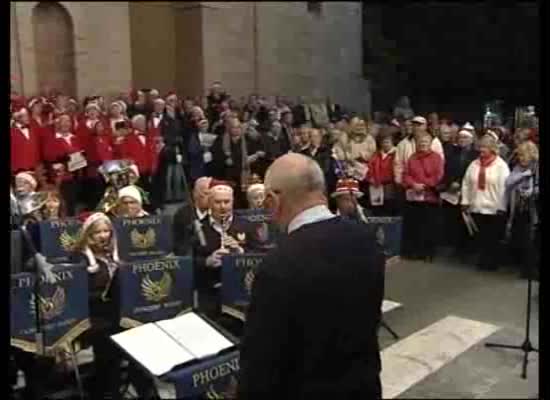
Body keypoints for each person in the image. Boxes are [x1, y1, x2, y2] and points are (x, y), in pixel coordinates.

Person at [239, 153, 385, 399]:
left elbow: (261, 363)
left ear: (273, 200)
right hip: (363, 386)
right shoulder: (367, 238)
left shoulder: (279, 265)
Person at [72, 213, 156, 399]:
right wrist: (104, 293)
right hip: (97, 318)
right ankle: (109, 391)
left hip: (123, 314)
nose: (103, 236)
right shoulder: (79, 259)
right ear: (87, 235)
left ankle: (146, 391)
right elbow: (77, 295)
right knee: (109, 349)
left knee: (140, 345)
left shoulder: (118, 254)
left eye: (106, 231)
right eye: (97, 232)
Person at [192, 180, 252, 323]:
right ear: (209, 203)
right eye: (218, 202)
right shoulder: (196, 228)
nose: (223, 206)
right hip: (210, 294)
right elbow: (186, 261)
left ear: (233, 202)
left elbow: (261, 256)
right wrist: (206, 261)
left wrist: (240, 253)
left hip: (241, 295)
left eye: (227, 202)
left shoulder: (247, 225)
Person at [461, 134, 510, 271]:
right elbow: (466, 183)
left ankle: (492, 262)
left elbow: (504, 189)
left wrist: (502, 207)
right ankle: (482, 260)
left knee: (493, 237)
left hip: (494, 208)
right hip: (477, 205)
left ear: (492, 149)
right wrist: (465, 201)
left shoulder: (501, 166)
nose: (481, 150)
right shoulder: (474, 164)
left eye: (485, 147)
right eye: (480, 147)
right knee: (481, 236)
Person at [401, 134, 444, 261]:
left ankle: (428, 253)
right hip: (414, 196)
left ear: (430, 143)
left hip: (430, 197)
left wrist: (424, 185)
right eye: (420, 142)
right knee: (415, 226)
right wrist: (413, 184)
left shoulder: (437, 158)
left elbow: (439, 176)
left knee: (429, 227)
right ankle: (415, 251)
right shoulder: (412, 157)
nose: (422, 144)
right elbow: (406, 175)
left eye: (425, 141)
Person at [437, 130, 478, 256]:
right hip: (452, 191)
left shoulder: (475, 155)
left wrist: (460, 183)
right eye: (460, 137)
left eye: (465, 137)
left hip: (468, 190)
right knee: (453, 220)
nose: (462, 140)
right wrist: (450, 184)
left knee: (467, 221)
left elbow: (474, 173)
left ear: (471, 139)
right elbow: (446, 170)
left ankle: (468, 249)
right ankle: (455, 247)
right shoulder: (452, 153)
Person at [504, 141, 539, 279]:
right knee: (520, 238)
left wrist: (533, 191)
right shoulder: (519, 167)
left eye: (523, 155)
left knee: (531, 241)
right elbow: (508, 182)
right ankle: (522, 266)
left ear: (531, 154)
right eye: (519, 156)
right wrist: (523, 175)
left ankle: (530, 270)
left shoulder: (537, 167)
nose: (520, 158)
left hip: (534, 209)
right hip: (519, 207)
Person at [173, 176, 212, 256]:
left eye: (212, 194)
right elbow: (179, 245)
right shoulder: (183, 215)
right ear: (195, 194)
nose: (210, 197)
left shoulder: (217, 212)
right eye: (206, 193)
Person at [366, 133, 399, 216]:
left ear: (392, 143)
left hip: (390, 185)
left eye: (387, 142)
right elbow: (369, 167)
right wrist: (370, 178)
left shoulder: (396, 153)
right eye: (383, 142)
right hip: (376, 186)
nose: (385, 144)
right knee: (378, 208)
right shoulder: (376, 155)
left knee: (389, 206)